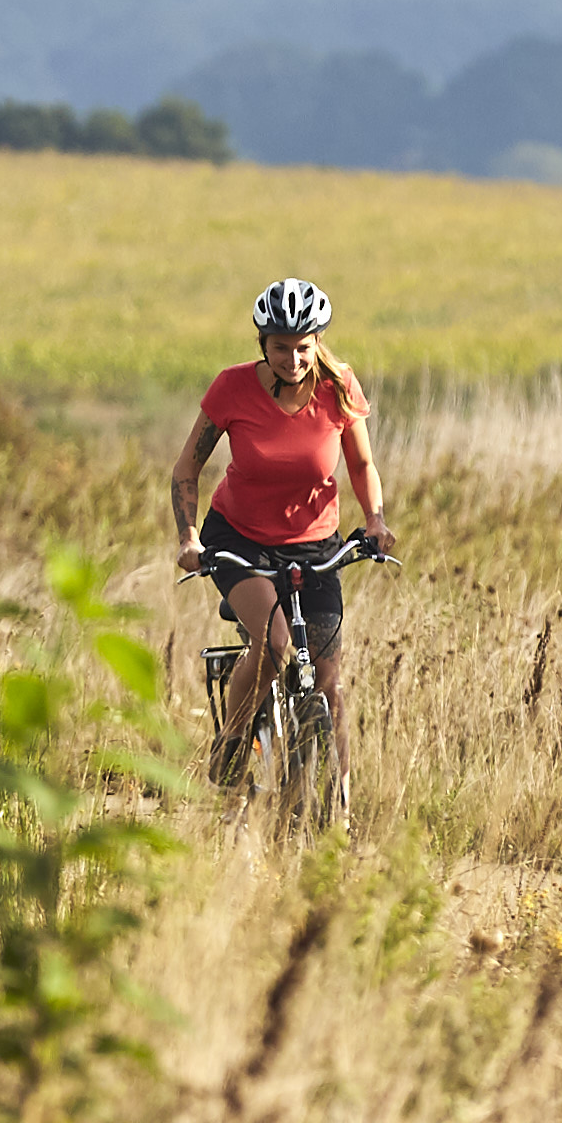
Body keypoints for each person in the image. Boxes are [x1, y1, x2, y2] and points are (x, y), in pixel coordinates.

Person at [170, 277, 393, 783]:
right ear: (262, 344)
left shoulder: (338, 387)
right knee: (272, 643)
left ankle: (339, 816)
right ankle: (232, 738)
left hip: (315, 546)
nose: (292, 359)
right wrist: (189, 539)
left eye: (302, 348)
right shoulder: (232, 388)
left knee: (330, 687)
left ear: (317, 343)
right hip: (240, 540)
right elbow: (187, 468)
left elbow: (362, 465)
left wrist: (375, 520)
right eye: (280, 348)